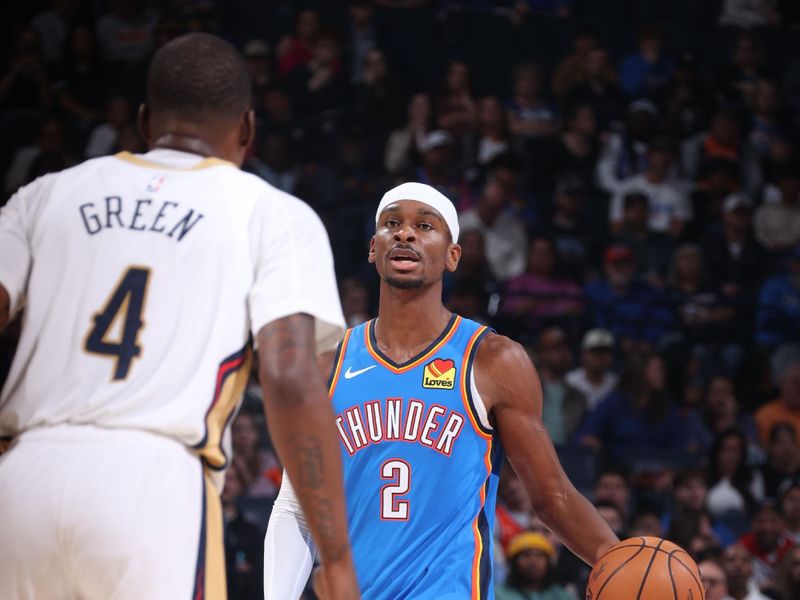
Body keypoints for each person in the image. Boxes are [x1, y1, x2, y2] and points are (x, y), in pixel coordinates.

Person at [0, 33, 359, 600]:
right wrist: (336, 559)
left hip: (21, 475)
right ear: (247, 129)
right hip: (153, 482)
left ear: (145, 122)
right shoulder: (273, 215)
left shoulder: (45, 195)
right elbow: (290, 379)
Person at [264, 181, 618, 598]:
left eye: (425, 226)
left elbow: (552, 496)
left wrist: (619, 559)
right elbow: (298, 508)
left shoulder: (492, 359)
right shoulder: (327, 364)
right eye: (391, 223)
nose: (405, 233)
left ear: (453, 256)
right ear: (373, 249)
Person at [494, 532, 574, 600]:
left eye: (539, 556)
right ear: (514, 562)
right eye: (526, 555)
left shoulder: (560, 595)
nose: (533, 562)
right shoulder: (497, 595)